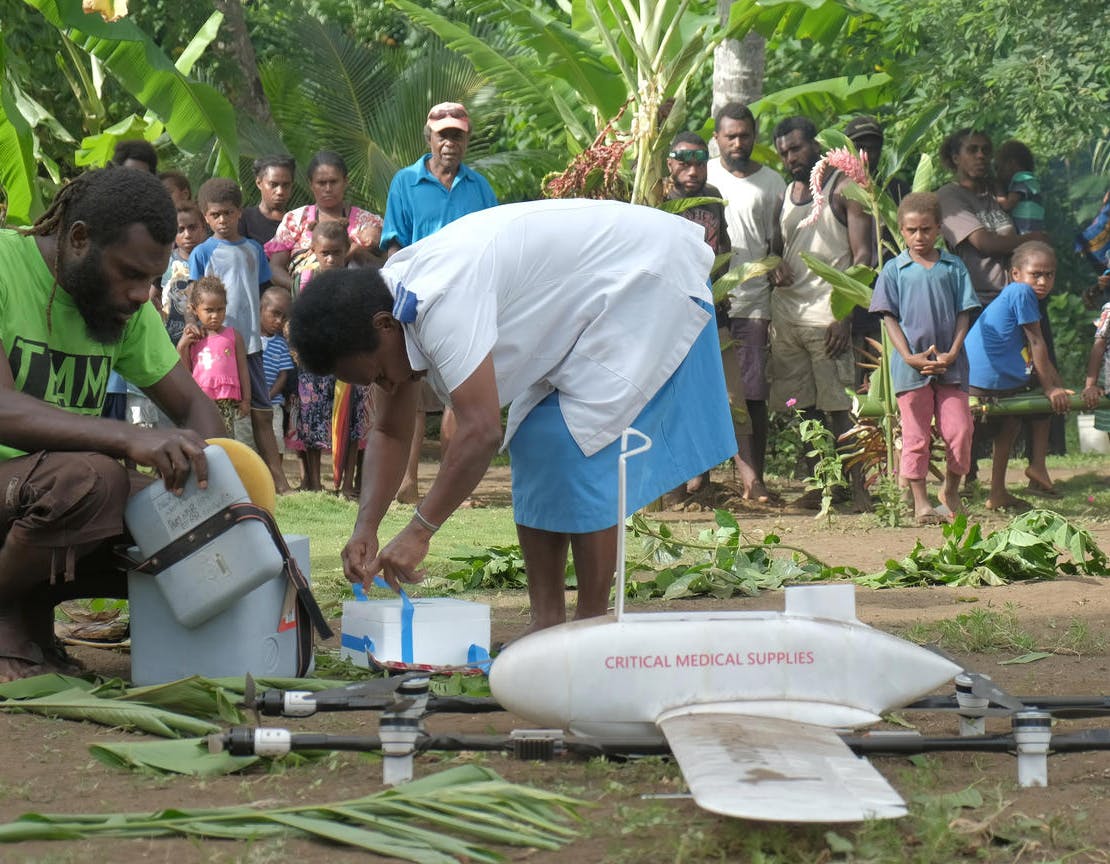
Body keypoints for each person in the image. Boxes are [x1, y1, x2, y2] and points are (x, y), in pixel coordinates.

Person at [288, 199, 736, 634]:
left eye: (380, 374)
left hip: (643, 278)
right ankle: (546, 623)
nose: (385, 386)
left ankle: (593, 624)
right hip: (587, 301)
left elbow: (481, 431)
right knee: (532, 436)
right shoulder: (379, 308)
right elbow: (388, 428)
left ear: (385, 326)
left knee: (576, 439)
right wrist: (366, 526)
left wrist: (419, 531)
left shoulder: (438, 300)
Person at [0, 167, 224, 682]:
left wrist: (222, 488)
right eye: (130, 274)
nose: (141, 294)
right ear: (79, 239)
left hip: (45, 499)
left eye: (151, 278)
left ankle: (26, 616)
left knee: (186, 517)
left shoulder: (125, 308)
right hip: (30, 489)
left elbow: (192, 407)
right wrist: (130, 437)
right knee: (95, 479)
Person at [381, 102, 499, 505]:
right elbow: (394, 242)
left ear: (467, 139)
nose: (450, 143)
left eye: (458, 135)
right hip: (417, 300)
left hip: (467, 302)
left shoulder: (478, 186)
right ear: (428, 137)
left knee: (459, 391)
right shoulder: (405, 182)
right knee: (411, 386)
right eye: (443, 135)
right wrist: (398, 294)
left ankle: (453, 484)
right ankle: (407, 481)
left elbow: (494, 243)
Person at [771, 116, 873, 508]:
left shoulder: (844, 188)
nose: (790, 157)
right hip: (788, 318)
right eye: (783, 152)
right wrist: (774, 264)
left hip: (828, 314)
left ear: (815, 145)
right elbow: (778, 247)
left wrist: (844, 313)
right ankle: (825, 485)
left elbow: (863, 255)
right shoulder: (787, 191)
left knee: (840, 406)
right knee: (804, 408)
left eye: (796, 148)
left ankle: (859, 487)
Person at [665, 130, 766, 503]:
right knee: (677, 398)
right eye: (683, 159)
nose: (692, 168)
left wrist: (722, 290)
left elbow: (721, 248)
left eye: (698, 160)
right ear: (670, 163)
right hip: (670, 317)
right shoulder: (657, 201)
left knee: (730, 397)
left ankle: (752, 482)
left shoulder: (714, 202)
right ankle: (680, 484)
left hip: (713, 309)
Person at [869, 193, 980, 523]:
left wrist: (954, 352)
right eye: (912, 230)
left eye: (926, 230)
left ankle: (951, 490)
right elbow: (889, 318)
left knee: (960, 431)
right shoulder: (894, 270)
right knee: (915, 437)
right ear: (901, 231)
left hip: (952, 366)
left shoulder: (953, 266)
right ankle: (921, 503)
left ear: (939, 229)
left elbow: (965, 313)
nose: (920, 237)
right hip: (910, 368)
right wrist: (908, 357)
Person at [188, 177, 289, 493]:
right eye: (215, 214)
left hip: (250, 343)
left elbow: (258, 290)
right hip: (215, 347)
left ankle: (279, 480)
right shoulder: (203, 253)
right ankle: (219, 480)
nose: (222, 220)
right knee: (213, 411)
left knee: (261, 410)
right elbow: (193, 295)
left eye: (228, 213)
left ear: (239, 213)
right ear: (205, 216)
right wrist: (195, 326)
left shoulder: (254, 249)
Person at [706, 103, 784, 503]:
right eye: (730, 135)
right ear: (717, 137)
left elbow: (777, 241)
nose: (738, 142)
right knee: (707, 390)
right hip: (708, 300)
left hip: (753, 301)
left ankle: (756, 479)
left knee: (752, 394)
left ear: (755, 136)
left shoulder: (772, 182)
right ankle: (699, 481)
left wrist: (777, 268)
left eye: (745, 135)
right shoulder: (701, 174)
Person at [964, 241, 1069, 511]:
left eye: (1050, 274)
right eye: (1036, 274)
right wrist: (1052, 389)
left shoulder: (1017, 296)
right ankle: (1037, 465)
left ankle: (999, 491)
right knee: (1030, 400)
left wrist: (1057, 386)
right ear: (1016, 274)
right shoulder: (1021, 293)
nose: (1043, 281)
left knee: (1010, 423)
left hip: (992, 378)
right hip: (987, 381)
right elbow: (1036, 344)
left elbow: (1036, 352)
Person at [291, 221, 371, 494]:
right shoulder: (303, 281)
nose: (330, 259)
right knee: (312, 419)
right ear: (313, 250)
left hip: (348, 362)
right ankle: (314, 481)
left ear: (347, 250)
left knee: (351, 422)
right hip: (314, 361)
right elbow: (298, 319)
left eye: (336, 253)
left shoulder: (357, 282)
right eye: (324, 253)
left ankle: (346, 483)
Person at [936, 130, 1047, 307]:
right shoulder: (949, 196)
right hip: (983, 302)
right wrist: (1034, 239)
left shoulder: (997, 192)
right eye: (972, 150)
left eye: (985, 150)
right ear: (956, 158)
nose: (980, 155)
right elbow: (986, 244)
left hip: (1022, 294)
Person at [265, 150, 382, 283]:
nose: (328, 189)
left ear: (345, 181)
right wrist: (300, 291)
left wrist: (359, 252)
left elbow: (389, 267)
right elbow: (275, 267)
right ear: (311, 185)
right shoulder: (295, 219)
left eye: (333, 182)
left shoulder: (369, 223)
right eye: (321, 183)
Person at [177, 276, 250, 436]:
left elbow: (243, 369)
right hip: (201, 399)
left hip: (226, 399)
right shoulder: (194, 337)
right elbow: (186, 370)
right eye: (209, 310)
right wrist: (182, 345)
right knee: (203, 439)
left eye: (220, 309)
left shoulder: (233, 336)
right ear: (195, 310)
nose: (215, 315)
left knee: (226, 438)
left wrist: (246, 400)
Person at [260, 287, 295, 490]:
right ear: (260, 309)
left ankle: (275, 479)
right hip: (251, 403)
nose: (279, 321)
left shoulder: (281, 344)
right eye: (274, 314)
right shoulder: (249, 339)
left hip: (272, 404)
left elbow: (283, 374)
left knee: (276, 440)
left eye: (284, 317)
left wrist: (269, 395)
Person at [161, 201, 207, 346]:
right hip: (169, 340)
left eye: (192, 228)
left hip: (205, 339)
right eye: (180, 229)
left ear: (203, 227)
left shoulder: (211, 261)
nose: (187, 234)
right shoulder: (163, 262)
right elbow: (151, 296)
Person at [239, 155, 296, 255]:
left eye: (286, 185)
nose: (280, 191)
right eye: (273, 185)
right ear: (259, 183)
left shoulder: (298, 222)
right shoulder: (243, 218)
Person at [994, 140, 1044, 235]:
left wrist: (998, 189)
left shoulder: (1021, 178)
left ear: (1011, 163)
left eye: (998, 167)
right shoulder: (1031, 180)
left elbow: (1007, 205)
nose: (998, 173)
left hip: (1026, 233)